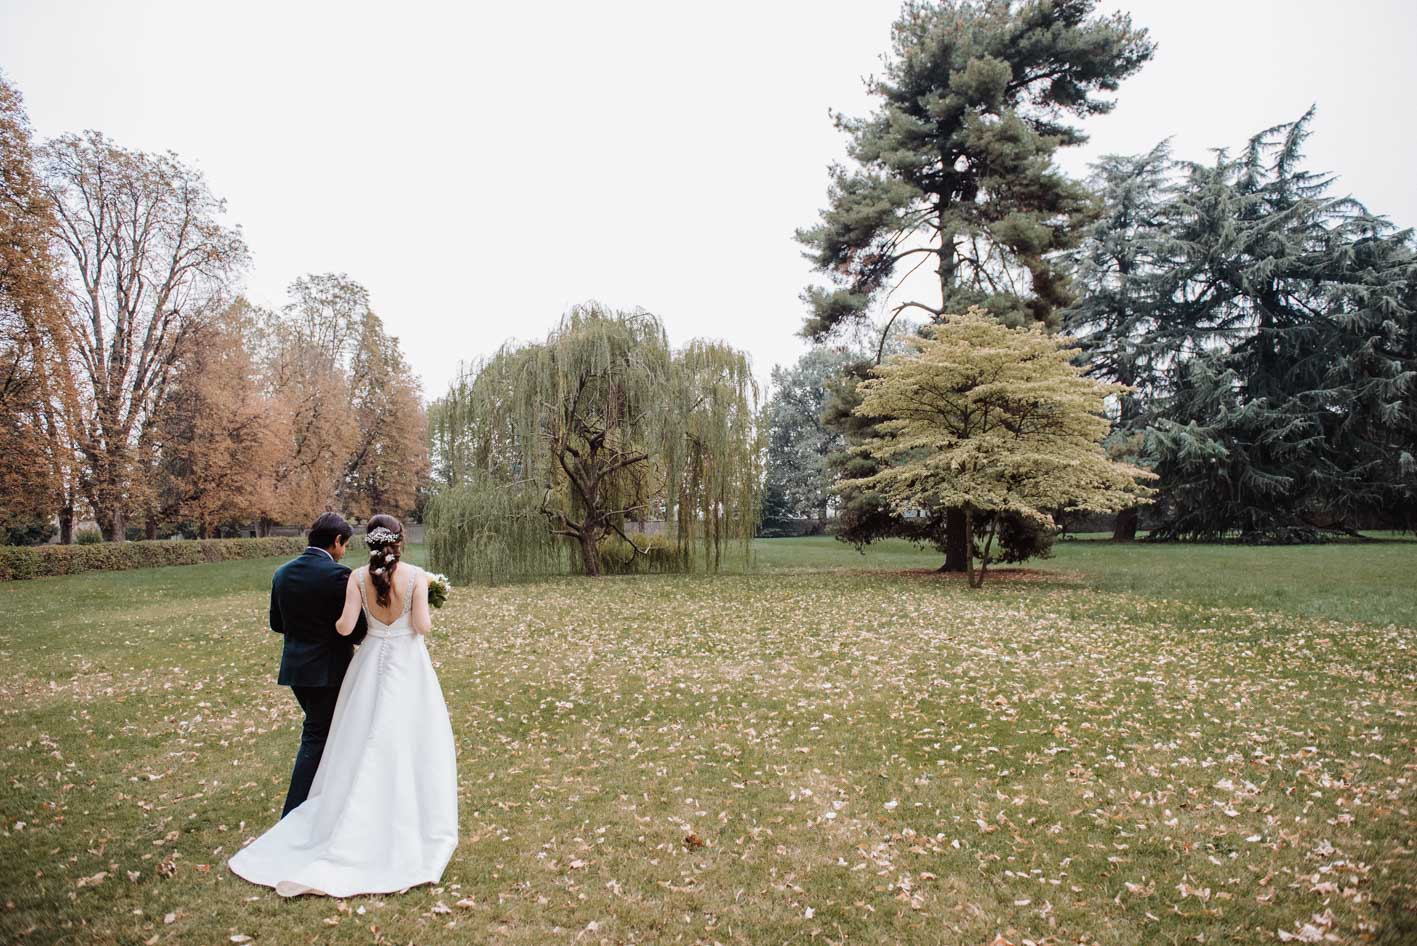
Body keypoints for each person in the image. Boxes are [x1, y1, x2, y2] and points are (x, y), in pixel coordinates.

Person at [229, 514, 458, 897]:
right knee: (407, 737)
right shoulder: (417, 576)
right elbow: (422, 626)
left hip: (364, 665)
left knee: (355, 736)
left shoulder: (354, 577)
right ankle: (405, 814)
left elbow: (345, 627)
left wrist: (365, 624)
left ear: (368, 542)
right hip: (407, 666)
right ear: (400, 541)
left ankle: (332, 811)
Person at [268, 512, 367, 817]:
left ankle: (328, 798)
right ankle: (293, 813)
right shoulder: (338, 576)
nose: (344, 551)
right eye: (345, 545)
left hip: (296, 670)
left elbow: (277, 623)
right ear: (336, 541)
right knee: (317, 737)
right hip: (328, 671)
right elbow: (356, 630)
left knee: (324, 734)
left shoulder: (282, 573)